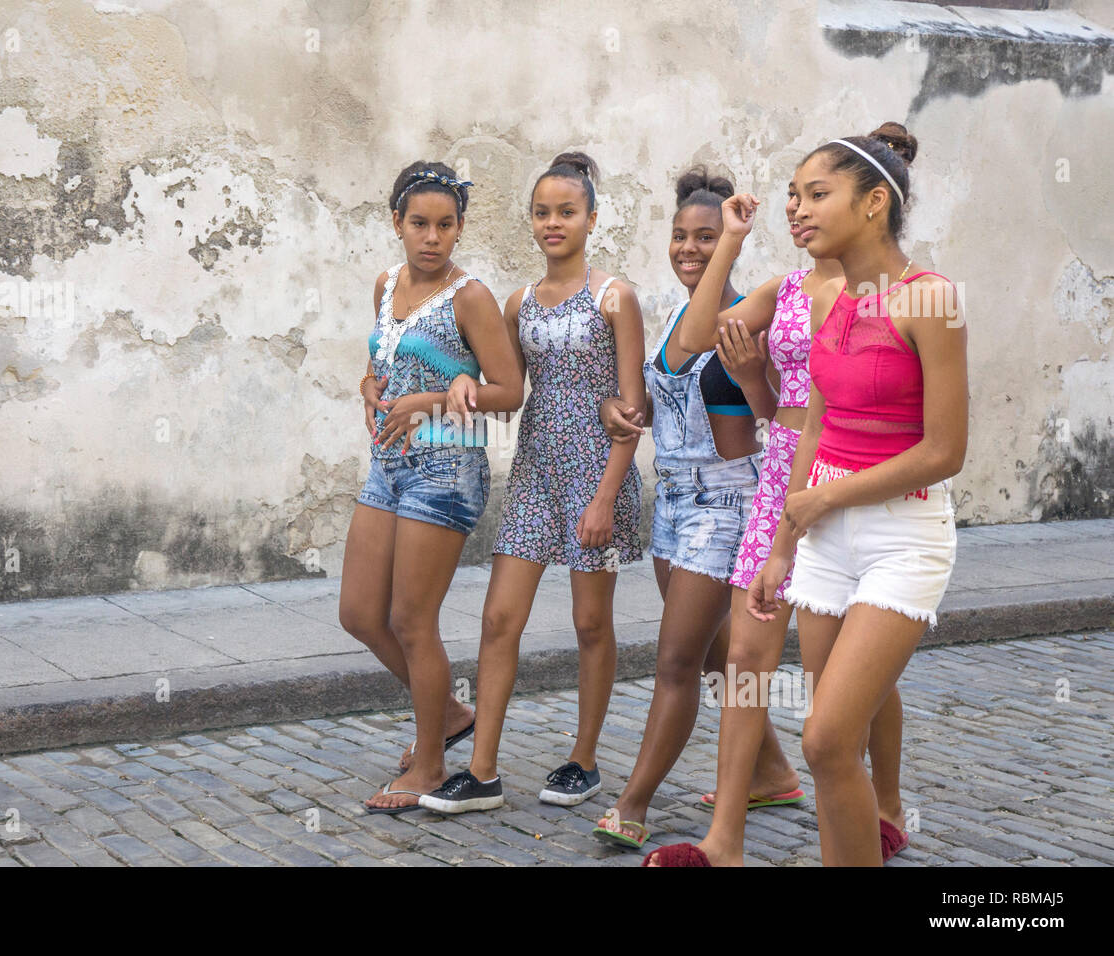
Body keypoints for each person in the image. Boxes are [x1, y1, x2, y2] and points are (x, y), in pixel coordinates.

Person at [651, 123, 967, 865]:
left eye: (816, 194)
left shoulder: (931, 300)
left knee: (829, 733)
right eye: (791, 195)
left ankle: (885, 808)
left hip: (892, 527)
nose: (796, 208)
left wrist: (824, 502)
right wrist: (787, 538)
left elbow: (947, 449)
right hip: (812, 516)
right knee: (821, 742)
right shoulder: (822, 303)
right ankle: (748, 839)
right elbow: (810, 425)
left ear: (873, 204)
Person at [419, 152, 646, 814]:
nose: (553, 223)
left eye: (566, 212)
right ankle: (482, 771)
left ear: (591, 219)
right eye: (542, 212)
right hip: (534, 479)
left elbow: (631, 412)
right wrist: (462, 382)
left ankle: (584, 760)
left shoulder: (614, 299)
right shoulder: (518, 302)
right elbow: (509, 390)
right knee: (498, 618)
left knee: (590, 622)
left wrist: (606, 496)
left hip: (596, 482)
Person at [587, 167, 798, 851]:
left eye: (705, 237)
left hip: (726, 504)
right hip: (675, 501)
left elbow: (701, 345)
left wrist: (732, 241)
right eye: (681, 236)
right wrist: (621, 412)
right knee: (710, 655)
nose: (689, 248)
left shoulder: (736, 316)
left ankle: (633, 803)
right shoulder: (681, 310)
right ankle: (771, 770)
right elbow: (667, 389)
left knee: (676, 662)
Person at [338, 161, 523, 814]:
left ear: (459, 228)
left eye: (446, 225)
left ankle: (431, 765)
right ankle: (446, 714)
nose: (433, 237)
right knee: (360, 612)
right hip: (387, 464)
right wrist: (369, 390)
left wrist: (427, 403)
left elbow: (507, 391)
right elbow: (377, 362)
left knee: (412, 620)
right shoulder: (386, 285)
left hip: (447, 470)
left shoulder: (469, 296)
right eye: (420, 223)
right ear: (397, 223)